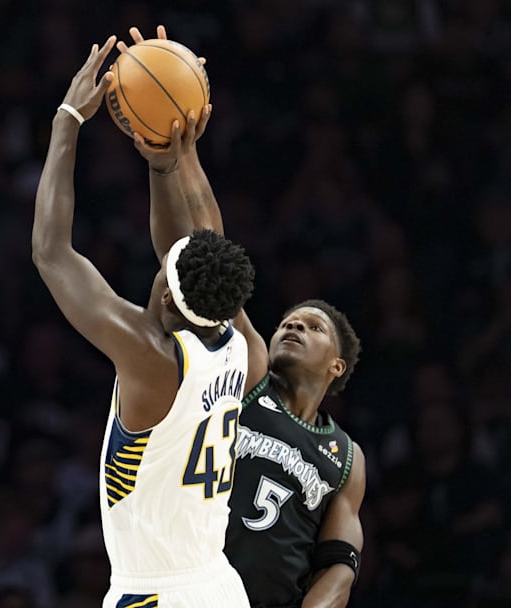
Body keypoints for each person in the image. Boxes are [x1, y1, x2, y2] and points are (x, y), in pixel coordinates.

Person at [123, 25, 367, 608]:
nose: (292, 325)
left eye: (312, 326)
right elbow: (206, 248)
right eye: (290, 318)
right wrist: (182, 154)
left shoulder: (346, 459)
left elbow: (338, 569)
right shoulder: (246, 374)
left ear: (337, 366)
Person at [31, 35, 256, 607]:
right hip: (220, 586)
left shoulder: (153, 359)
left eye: (163, 275)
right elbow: (203, 236)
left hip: (156, 597)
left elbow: (52, 252)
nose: (158, 269)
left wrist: (67, 121)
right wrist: (173, 158)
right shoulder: (239, 346)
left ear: (170, 303)